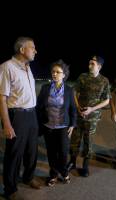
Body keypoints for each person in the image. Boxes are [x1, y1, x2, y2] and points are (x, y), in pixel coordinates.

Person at [0, 37, 40, 200]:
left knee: (32, 150)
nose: (35, 51)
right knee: (14, 153)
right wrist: (7, 125)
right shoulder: (6, 67)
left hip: (31, 114)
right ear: (22, 49)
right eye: (33, 48)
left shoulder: (27, 67)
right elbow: (2, 98)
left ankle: (28, 177)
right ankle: (10, 188)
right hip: (17, 115)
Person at [68, 55, 110, 177]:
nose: (90, 65)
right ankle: (72, 162)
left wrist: (92, 109)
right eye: (89, 63)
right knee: (75, 140)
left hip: (93, 117)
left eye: (93, 64)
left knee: (88, 141)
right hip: (79, 114)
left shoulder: (104, 81)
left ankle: (85, 166)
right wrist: (77, 107)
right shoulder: (83, 77)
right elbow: (74, 92)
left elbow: (106, 100)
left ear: (99, 66)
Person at [36, 59, 77, 187]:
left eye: (58, 72)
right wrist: (40, 122)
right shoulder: (45, 88)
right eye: (53, 72)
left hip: (63, 126)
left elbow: (72, 109)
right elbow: (39, 107)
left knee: (64, 151)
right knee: (51, 152)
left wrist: (72, 124)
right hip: (49, 126)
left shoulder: (69, 90)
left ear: (64, 75)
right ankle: (53, 174)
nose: (54, 74)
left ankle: (64, 172)